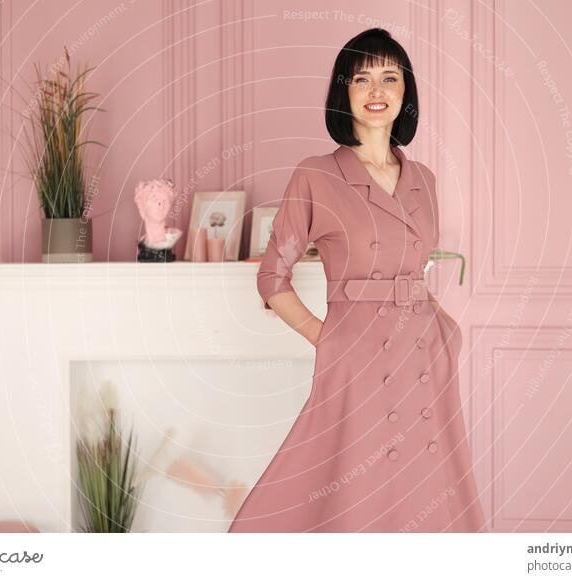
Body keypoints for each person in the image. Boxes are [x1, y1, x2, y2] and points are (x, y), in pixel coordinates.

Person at [228, 28, 487, 532]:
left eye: (389, 78)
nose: (376, 90)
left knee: (424, 486)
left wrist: (446, 329)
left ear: (405, 93)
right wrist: (327, 338)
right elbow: (271, 277)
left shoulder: (425, 179)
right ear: (343, 91)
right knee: (349, 483)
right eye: (362, 78)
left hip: (422, 352)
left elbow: (415, 266)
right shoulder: (316, 174)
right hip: (356, 353)